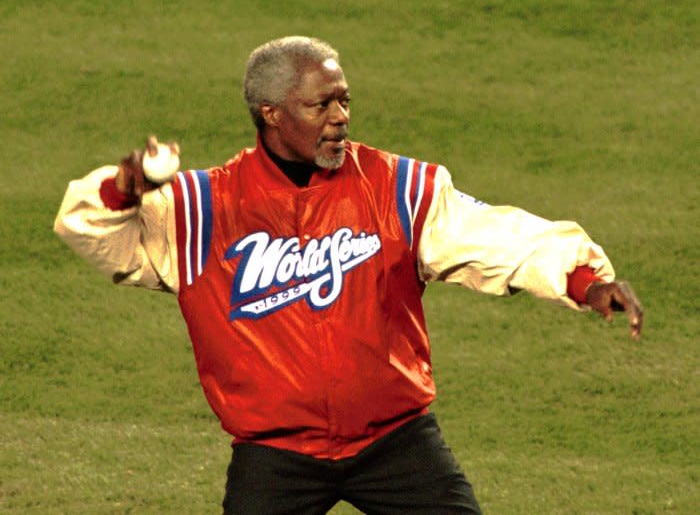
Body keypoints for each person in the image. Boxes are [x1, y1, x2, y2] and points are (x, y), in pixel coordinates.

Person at [54, 36, 643, 515]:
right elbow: (91, 231)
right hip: (275, 455)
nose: (340, 118)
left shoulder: (396, 187)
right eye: (321, 105)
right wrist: (122, 189)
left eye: (344, 101)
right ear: (272, 113)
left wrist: (584, 279)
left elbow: (495, 237)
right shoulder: (202, 210)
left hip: (395, 442)